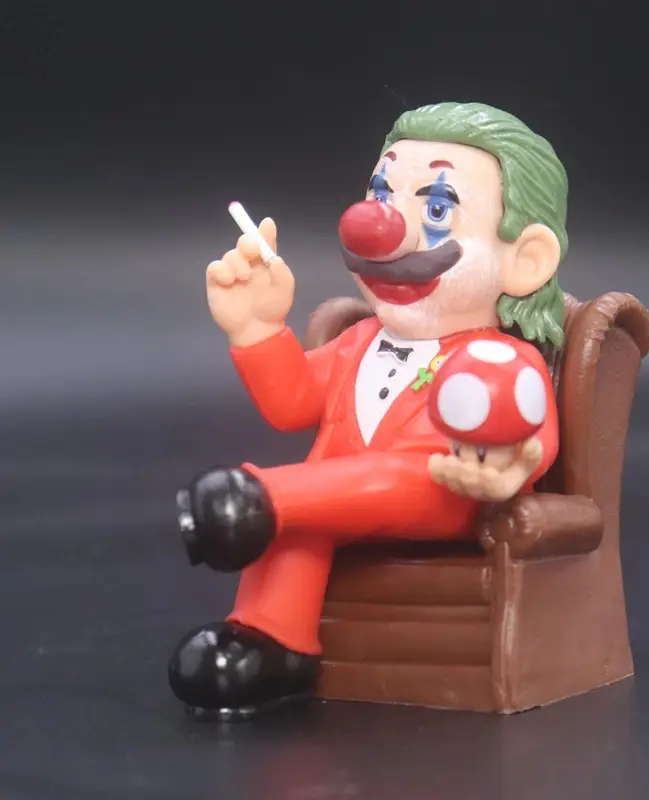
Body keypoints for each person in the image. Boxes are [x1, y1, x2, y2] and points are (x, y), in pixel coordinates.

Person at [168, 101, 570, 720]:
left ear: (526, 260)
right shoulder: (358, 341)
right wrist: (256, 329)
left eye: (437, 209)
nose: (378, 228)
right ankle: (273, 644)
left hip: (443, 495)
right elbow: (292, 403)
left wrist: (512, 465)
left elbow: (527, 430)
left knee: (313, 496)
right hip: (339, 499)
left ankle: (264, 500)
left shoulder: (498, 359)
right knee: (308, 514)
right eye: (381, 195)